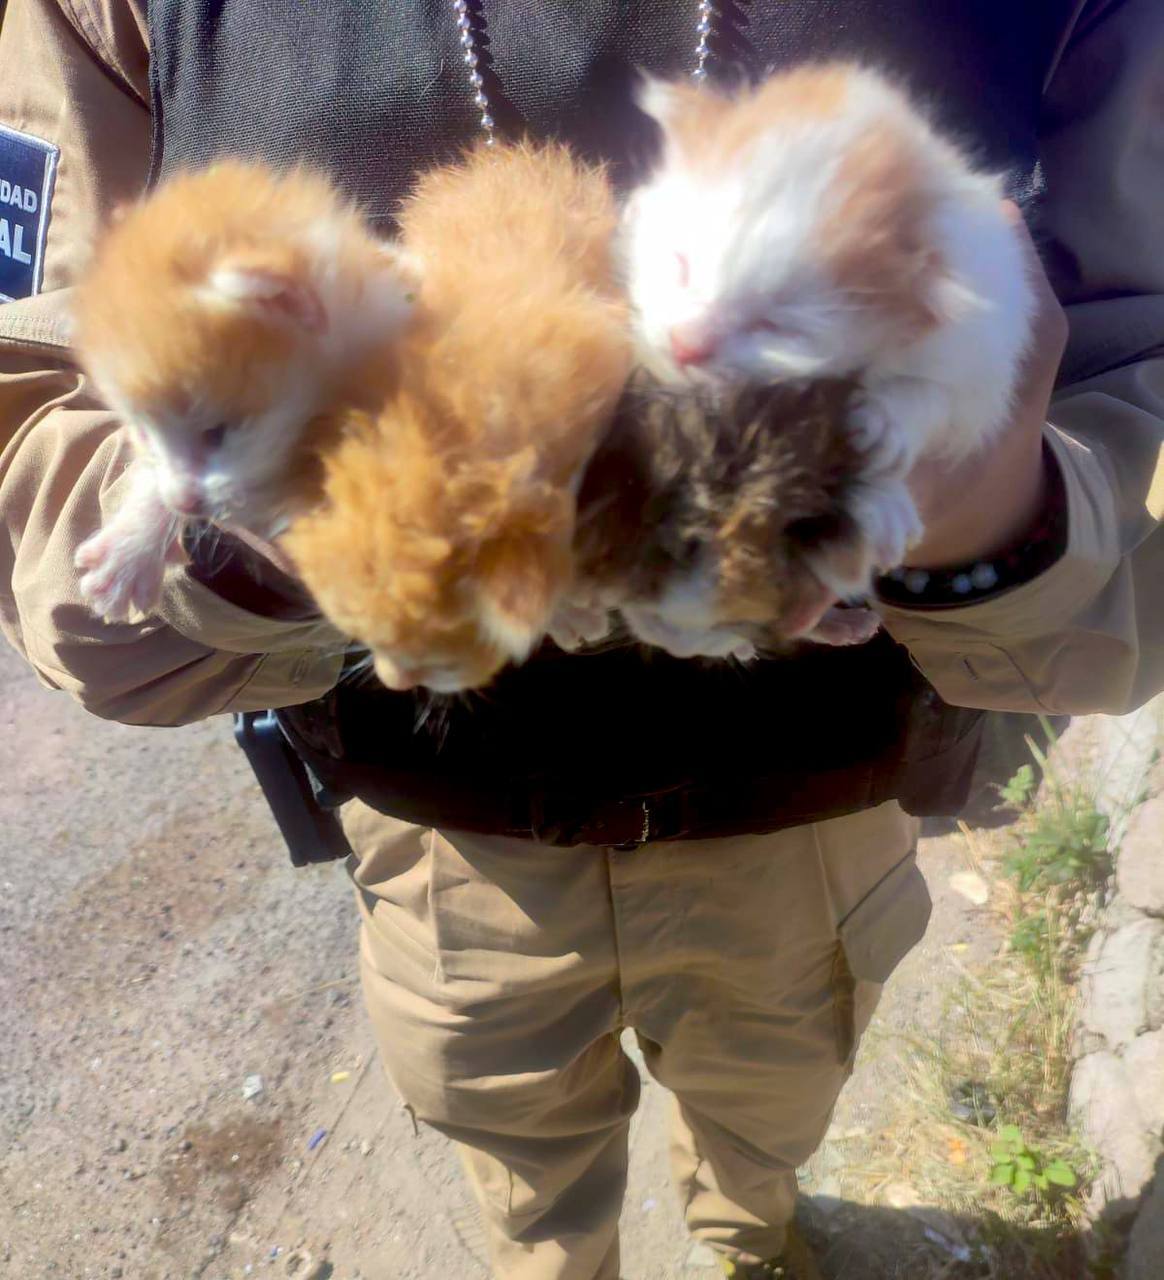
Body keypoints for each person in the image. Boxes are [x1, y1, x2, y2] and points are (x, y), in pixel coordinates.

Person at [1, 2, 1161, 1277]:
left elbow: (1131, 475)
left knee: (767, 1113)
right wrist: (267, 515)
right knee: (517, 1147)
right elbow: (44, 468)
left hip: (811, 810)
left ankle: (750, 1234)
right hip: (455, 842)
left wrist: (987, 512)